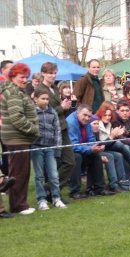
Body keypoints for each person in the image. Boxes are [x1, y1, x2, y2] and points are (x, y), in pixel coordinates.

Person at [0, 63, 40, 215]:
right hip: (16, 138)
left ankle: (19, 204)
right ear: (12, 77)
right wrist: (34, 129)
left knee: (21, 171)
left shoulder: (16, 91)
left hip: (19, 137)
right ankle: (19, 206)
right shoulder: (14, 93)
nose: (25, 80)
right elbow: (17, 118)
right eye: (21, 77)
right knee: (19, 172)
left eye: (26, 77)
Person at [37, 62, 75, 195]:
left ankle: (49, 188)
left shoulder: (54, 87)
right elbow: (44, 111)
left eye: (54, 73)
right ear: (43, 73)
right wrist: (61, 108)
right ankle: (52, 192)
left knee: (70, 162)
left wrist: (65, 107)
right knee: (52, 165)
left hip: (62, 128)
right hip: (49, 131)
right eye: (49, 73)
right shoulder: (40, 89)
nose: (53, 75)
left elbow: (57, 110)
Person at [66, 104, 115, 198]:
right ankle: (74, 191)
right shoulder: (71, 123)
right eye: (84, 115)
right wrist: (90, 149)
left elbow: (91, 139)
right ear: (77, 113)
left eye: (89, 116)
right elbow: (73, 146)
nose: (87, 118)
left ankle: (99, 189)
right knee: (77, 157)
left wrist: (96, 148)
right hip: (67, 152)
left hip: (81, 148)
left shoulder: (87, 122)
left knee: (96, 156)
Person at [31, 89, 66, 210]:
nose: (46, 101)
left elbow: (57, 131)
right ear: (35, 99)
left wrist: (58, 148)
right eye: (43, 99)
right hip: (36, 147)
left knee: (54, 174)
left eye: (47, 99)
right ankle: (41, 200)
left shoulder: (52, 112)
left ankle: (56, 197)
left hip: (50, 147)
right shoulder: (32, 112)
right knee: (39, 175)